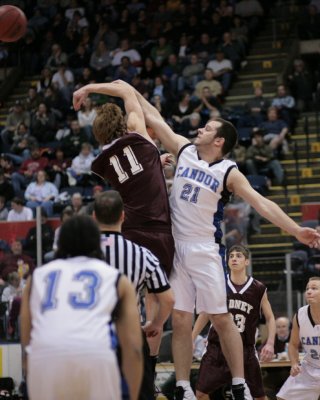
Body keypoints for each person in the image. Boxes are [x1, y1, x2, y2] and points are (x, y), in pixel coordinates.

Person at [122, 79, 320, 400]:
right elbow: (155, 118)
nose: (200, 129)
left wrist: (296, 230)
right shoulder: (184, 150)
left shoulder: (228, 170)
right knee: (182, 319)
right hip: (175, 246)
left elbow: (261, 203)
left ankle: (239, 383)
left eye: (207, 128)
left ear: (220, 140)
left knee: (221, 317)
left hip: (205, 248)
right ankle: (184, 386)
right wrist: (129, 91)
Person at [20, 215, 143, 400]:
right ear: (96, 242)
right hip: (96, 354)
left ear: (60, 243)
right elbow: (133, 347)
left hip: (45, 356)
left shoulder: (36, 277)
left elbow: (26, 340)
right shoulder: (116, 278)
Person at [72, 81, 174, 279]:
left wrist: (154, 162)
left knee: (129, 290)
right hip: (157, 224)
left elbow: (130, 172)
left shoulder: (102, 162)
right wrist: (87, 88)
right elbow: (125, 89)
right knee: (159, 292)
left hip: (130, 228)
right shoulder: (137, 131)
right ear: (122, 121)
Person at [94, 190, 175, 399]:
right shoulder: (142, 254)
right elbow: (168, 299)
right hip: (128, 333)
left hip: (89, 334)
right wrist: (156, 324)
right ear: (123, 216)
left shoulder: (77, 254)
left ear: (93, 217)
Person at [192, 245, 276, 400]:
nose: (234, 258)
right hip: (216, 348)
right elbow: (205, 313)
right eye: (231, 256)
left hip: (246, 349)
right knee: (200, 394)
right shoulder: (218, 284)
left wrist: (270, 343)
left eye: (238, 256)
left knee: (259, 397)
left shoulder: (258, 288)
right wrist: (191, 338)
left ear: (246, 262)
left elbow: (270, 318)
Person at [277, 277, 320, 400]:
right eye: (307, 289)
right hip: (310, 367)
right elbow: (293, 344)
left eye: (314, 288)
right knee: (282, 398)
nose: (309, 291)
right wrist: (294, 363)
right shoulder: (300, 314)